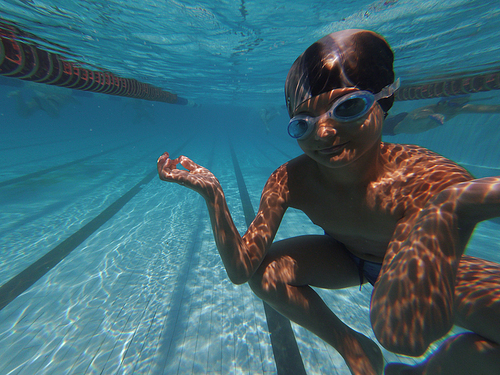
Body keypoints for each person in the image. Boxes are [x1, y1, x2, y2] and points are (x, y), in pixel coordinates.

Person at [157, 29, 500, 375]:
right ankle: (353, 347)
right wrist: (212, 194)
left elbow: (406, 329)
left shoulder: (429, 178)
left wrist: (450, 208)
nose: (323, 133)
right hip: (346, 259)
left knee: (420, 335)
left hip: (442, 273)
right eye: (303, 124)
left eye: (348, 107)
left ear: (383, 101)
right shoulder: (289, 180)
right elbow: (241, 269)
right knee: (267, 275)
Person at [383, 95, 500, 135]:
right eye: (455, 105)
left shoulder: (456, 109)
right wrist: (432, 117)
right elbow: (416, 118)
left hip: (400, 118)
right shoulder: (430, 112)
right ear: (443, 103)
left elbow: (487, 108)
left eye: (462, 104)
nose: (458, 108)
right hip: (391, 127)